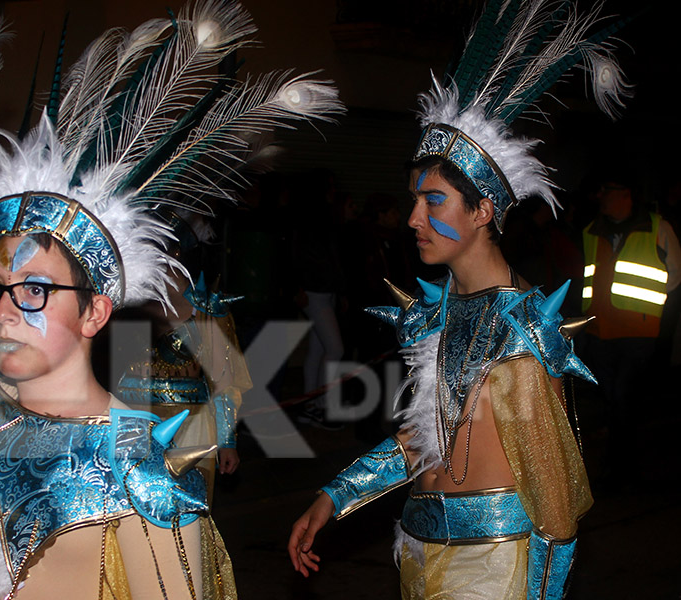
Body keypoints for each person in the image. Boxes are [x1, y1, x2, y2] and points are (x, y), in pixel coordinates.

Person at [0, 3, 342, 598]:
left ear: (95, 311)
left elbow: (226, 380)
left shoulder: (135, 470)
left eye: (34, 291)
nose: (1, 312)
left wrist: (221, 433)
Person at [288, 2, 631, 598]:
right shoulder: (443, 313)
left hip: (490, 568)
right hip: (418, 554)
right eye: (414, 201)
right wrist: (334, 495)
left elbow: (554, 508)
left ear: (482, 211)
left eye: (435, 202)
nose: (415, 218)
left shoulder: (521, 327)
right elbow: (427, 439)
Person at [118, 211, 252, 504]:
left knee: (186, 522)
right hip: (132, 427)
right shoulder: (119, 304)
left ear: (175, 251)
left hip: (193, 430)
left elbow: (223, 381)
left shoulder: (204, 308)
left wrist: (227, 441)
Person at [579, 169, 681, 479]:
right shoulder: (590, 230)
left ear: (626, 194)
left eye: (607, 189)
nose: (601, 196)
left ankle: (619, 466)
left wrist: (647, 309)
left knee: (622, 395)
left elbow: (675, 274)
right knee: (613, 398)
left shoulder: (657, 227)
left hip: (637, 332)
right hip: (599, 331)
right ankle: (623, 458)